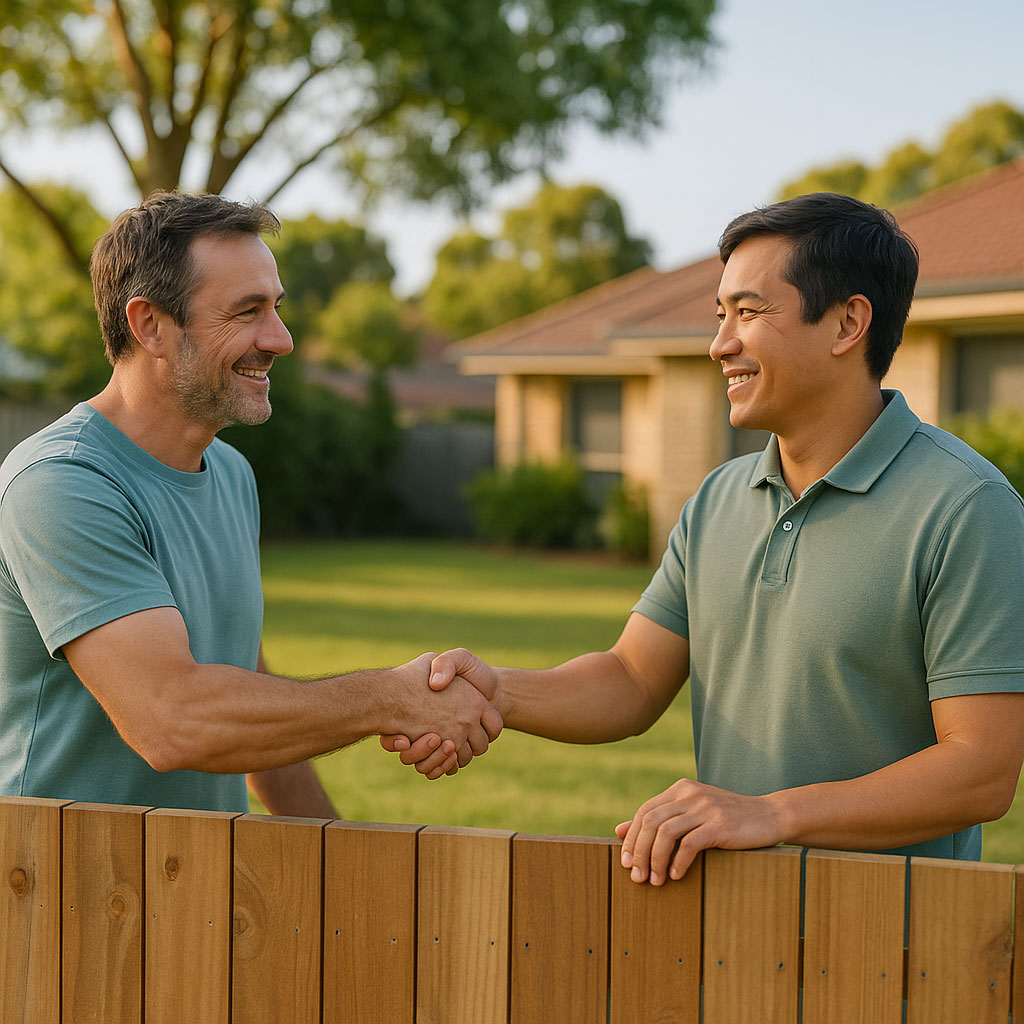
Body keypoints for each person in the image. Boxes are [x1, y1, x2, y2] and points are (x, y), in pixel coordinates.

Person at [385, 192, 1024, 882]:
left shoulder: (967, 507)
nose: (720, 344)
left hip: (894, 946)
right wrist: (498, 692)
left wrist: (773, 814)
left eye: (749, 312)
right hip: (728, 932)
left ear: (847, 323)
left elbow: (980, 770)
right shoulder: (719, 499)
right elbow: (631, 679)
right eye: (721, 315)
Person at [0, 190, 497, 817]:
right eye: (247, 311)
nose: (281, 339)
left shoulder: (230, 474)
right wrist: (389, 698)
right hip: (51, 893)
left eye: (276, 308)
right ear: (149, 324)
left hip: (193, 896)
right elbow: (172, 719)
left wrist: (334, 872)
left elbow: (251, 711)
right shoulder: (64, 484)